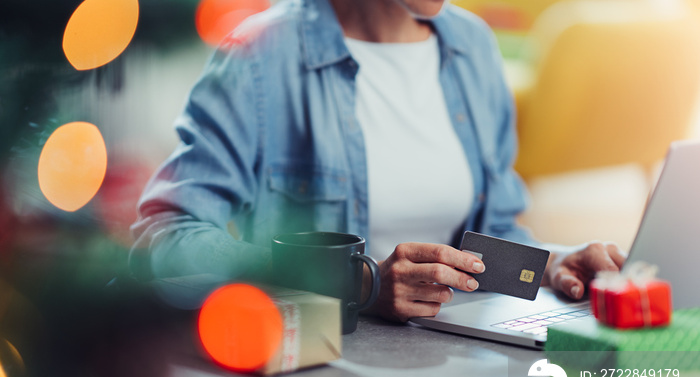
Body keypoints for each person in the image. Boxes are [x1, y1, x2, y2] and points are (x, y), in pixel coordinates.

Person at [129, 0, 627, 323]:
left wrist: (547, 264)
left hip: (454, 365)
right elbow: (165, 240)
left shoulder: (471, 45)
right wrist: (355, 281)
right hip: (328, 375)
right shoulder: (261, 54)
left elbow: (487, 237)